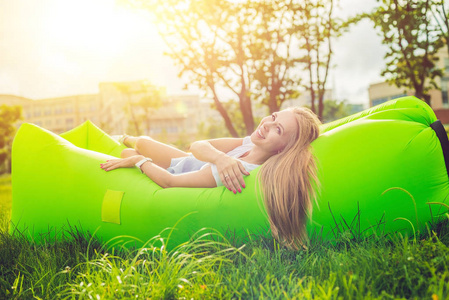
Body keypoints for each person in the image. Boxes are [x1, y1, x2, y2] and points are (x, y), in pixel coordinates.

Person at [100, 107, 321, 249]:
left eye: (278, 129)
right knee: (143, 143)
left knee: (129, 154)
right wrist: (219, 157)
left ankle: (127, 146)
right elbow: (196, 146)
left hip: (181, 172)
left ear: (284, 149)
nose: (267, 124)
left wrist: (139, 161)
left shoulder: (236, 170)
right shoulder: (249, 143)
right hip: (189, 159)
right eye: (273, 117)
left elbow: (170, 182)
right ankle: (124, 137)